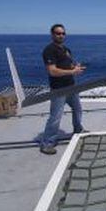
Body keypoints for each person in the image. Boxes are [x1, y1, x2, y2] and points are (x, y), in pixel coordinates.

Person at [40, 24, 87, 155]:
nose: (60, 35)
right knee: (55, 116)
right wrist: (72, 71)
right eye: (57, 33)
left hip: (71, 86)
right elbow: (52, 71)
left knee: (77, 109)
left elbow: (69, 64)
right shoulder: (49, 50)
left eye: (62, 33)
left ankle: (78, 131)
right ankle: (47, 143)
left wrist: (76, 67)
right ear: (52, 34)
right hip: (58, 89)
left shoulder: (66, 49)